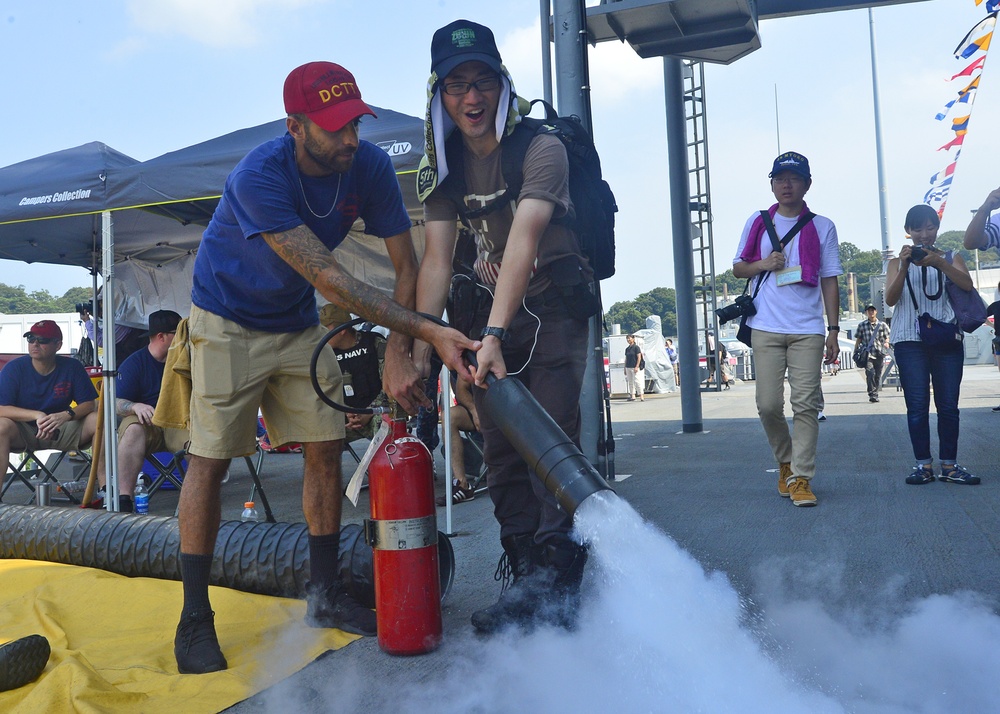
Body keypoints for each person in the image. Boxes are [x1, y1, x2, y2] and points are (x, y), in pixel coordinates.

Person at [171, 61, 478, 675]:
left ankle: (323, 595)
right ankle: (193, 616)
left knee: (325, 442)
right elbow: (330, 276)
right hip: (226, 319)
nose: (350, 140)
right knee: (210, 459)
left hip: (293, 319)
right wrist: (429, 330)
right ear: (296, 126)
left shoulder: (364, 167)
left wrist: (398, 346)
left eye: (354, 124)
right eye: (335, 127)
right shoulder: (259, 174)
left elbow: (406, 264)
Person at [415, 19, 597, 633]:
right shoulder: (442, 165)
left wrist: (493, 336)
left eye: (483, 81)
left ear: (503, 84)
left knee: (547, 441)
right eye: (456, 85)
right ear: (439, 94)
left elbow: (522, 242)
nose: (472, 97)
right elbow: (438, 259)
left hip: (549, 312)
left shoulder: (540, 146)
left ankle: (559, 582)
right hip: (483, 322)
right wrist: (422, 341)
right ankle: (525, 577)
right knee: (498, 451)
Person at [732, 151, 842, 507]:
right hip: (765, 325)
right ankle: (785, 462)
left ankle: (802, 476)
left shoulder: (822, 225)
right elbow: (738, 268)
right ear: (772, 184)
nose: (786, 185)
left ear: (807, 184)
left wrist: (833, 330)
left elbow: (830, 280)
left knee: (806, 404)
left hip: (807, 328)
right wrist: (764, 263)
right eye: (780, 179)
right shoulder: (759, 220)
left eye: (794, 179)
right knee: (767, 405)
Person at [886, 204, 978, 486]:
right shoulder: (894, 262)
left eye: (929, 227)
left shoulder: (951, 257)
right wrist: (903, 266)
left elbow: (967, 285)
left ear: (937, 229)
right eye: (917, 229)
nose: (924, 234)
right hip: (908, 340)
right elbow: (890, 299)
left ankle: (949, 465)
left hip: (946, 337)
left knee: (948, 405)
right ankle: (923, 465)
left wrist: (940, 263)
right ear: (908, 232)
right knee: (916, 405)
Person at [91, 310, 186, 513]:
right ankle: (124, 498)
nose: (184, 338)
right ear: (161, 336)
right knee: (132, 429)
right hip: (146, 425)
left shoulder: (186, 359)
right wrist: (134, 406)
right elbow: (109, 402)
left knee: (197, 439)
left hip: (177, 423)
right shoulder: (135, 363)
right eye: (178, 333)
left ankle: (197, 498)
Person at [0, 321, 99, 481]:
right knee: (1, 426)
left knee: (98, 420)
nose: (35, 344)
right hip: (24, 431)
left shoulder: (72, 366)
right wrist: (37, 415)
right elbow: (2, 409)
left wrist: (66, 415)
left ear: (58, 345)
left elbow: (89, 404)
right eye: (31, 339)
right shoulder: (13, 368)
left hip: (63, 428)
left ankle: (106, 489)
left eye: (43, 340)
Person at [319, 302, 388, 442]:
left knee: (387, 426)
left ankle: (386, 464)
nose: (321, 334)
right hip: (345, 417)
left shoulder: (375, 343)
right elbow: (322, 391)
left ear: (341, 330)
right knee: (316, 436)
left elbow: (391, 384)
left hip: (377, 413)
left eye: (325, 329)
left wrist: (369, 412)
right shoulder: (323, 354)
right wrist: (346, 412)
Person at [436, 374, 481, 506]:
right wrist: (474, 410)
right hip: (479, 410)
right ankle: (462, 485)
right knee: (449, 417)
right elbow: (461, 389)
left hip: (508, 411)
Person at [854, 305, 891, 403]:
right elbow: (859, 339)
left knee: (878, 374)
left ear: (876, 312)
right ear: (866, 313)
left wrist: (887, 342)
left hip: (879, 352)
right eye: (869, 311)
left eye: (872, 310)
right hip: (868, 353)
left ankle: (876, 392)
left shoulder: (882, 325)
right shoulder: (862, 325)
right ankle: (872, 394)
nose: (871, 312)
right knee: (870, 372)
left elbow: (888, 335)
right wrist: (855, 351)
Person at [624, 334, 645, 401]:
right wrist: (624, 368)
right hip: (628, 366)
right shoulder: (627, 349)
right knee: (630, 381)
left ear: (633, 339)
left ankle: (641, 395)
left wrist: (637, 366)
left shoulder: (636, 347)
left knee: (637, 381)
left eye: (629, 338)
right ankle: (632, 395)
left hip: (634, 366)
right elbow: (626, 358)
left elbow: (639, 357)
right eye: (627, 339)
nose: (628, 340)